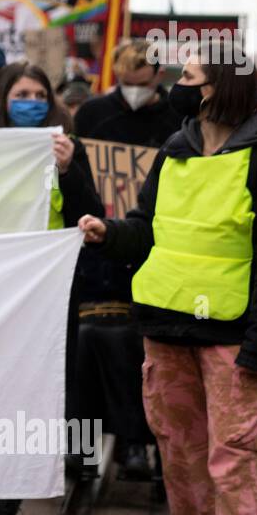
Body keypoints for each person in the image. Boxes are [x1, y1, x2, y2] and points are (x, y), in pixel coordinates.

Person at [78, 51, 257, 515]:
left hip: (232, 337)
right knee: (180, 451)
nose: (176, 87)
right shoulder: (173, 154)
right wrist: (109, 232)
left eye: (188, 79)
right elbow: (146, 231)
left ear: (219, 89)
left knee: (234, 456)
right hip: (165, 327)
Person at [0, 62, 103, 515]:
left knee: (30, 399)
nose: (31, 101)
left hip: (48, 293)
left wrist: (69, 171)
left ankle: (5, 511)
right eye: (21, 93)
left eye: (39, 94)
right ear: (3, 97)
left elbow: (92, 216)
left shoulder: (69, 147)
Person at [72, 40, 181, 482]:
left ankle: (134, 443)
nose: (132, 92)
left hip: (149, 241)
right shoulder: (93, 113)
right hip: (97, 236)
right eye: (124, 83)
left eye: (140, 84)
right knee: (84, 350)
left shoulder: (175, 119)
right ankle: (81, 447)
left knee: (139, 351)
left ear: (157, 77)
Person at [74, 38, 180, 145]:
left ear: (159, 75)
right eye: (127, 84)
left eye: (143, 84)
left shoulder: (177, 117)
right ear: (117, 75)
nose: (135, 91)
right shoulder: (91, 113)